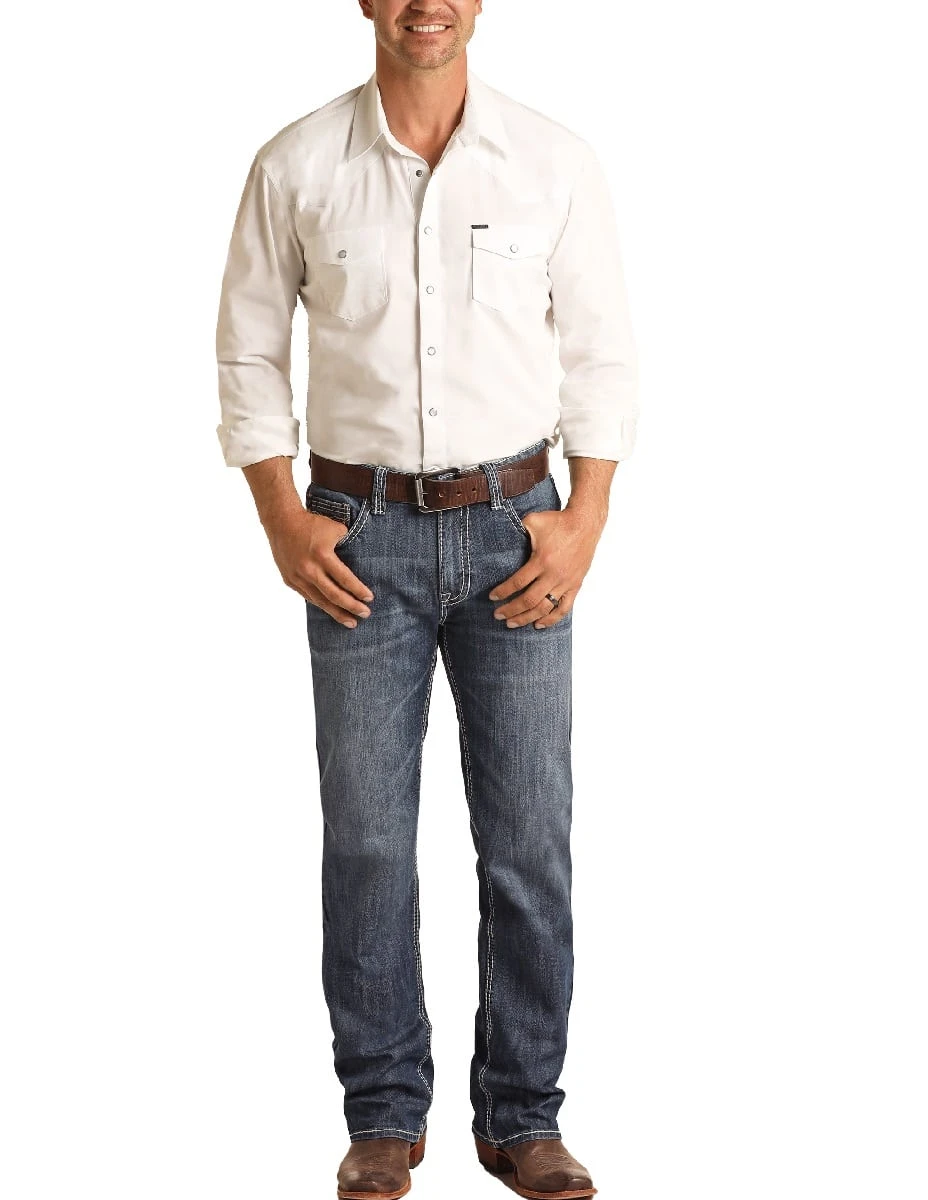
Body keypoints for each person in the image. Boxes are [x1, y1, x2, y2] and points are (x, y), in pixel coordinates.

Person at [214, 2, 638, 1195]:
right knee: (365, 841)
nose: (425, 3)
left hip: (518, 535)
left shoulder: (553, 159)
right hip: (356, 540)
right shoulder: (295, 164)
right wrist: (280, 515)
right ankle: (384, 1115)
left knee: (528, 836)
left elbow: (601, 352)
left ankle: (522, 1117)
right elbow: (248, 352)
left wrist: (586, 516)